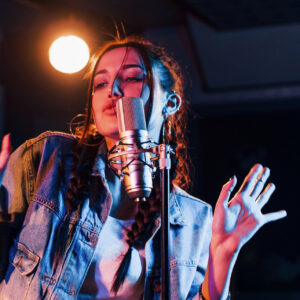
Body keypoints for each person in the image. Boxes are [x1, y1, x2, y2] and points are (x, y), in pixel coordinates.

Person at [0, 37, 286, 300]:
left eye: (133, 78)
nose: (112, 91)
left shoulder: (193, 216)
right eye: (100, 84)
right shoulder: (46, 158)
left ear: (171, 103)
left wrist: (224, 255)